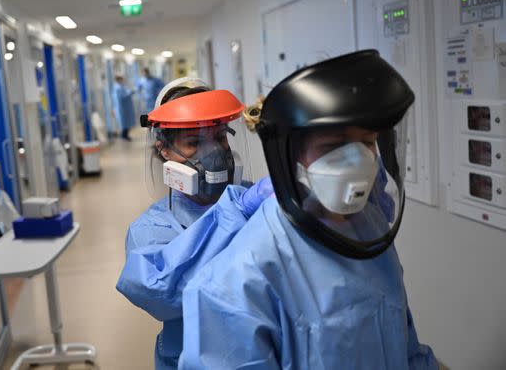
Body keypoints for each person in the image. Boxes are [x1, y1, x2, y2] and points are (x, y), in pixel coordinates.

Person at [179, 50, 438, 369]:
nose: (358, 161)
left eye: (368, 142)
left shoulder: (369, 230)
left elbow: (403, 343)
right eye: (333, 147)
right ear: (291, 156)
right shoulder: (237, 283)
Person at [116, 77, 274, 370]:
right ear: (163, 149)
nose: (213, 153)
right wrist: (235, 212)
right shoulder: (151, 230)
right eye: (194, 143)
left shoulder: (256, 199)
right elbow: (163, 297)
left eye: (220, 137)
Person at [112, 75, 136, 141]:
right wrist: (130, 92)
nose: (122, 80)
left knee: (126, 122)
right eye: (121, 79)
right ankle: (124, 136)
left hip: (125, 107)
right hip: (122, 108)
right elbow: (122, 97)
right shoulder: (117, 88)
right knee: (124, 123)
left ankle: (125, 135)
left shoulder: (121, 86)